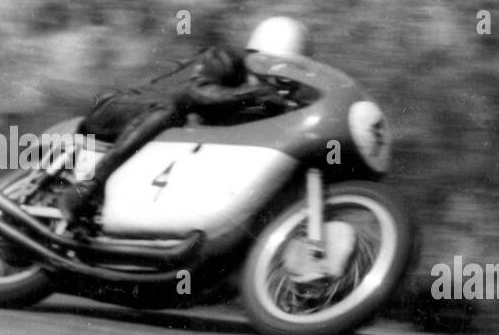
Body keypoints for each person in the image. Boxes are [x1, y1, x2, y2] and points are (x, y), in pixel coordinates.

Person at [59, 17, 315, 234]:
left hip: (157, 147)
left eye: (292, 71)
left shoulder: (269, 104)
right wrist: (257, 93)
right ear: (258, 55)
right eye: (280, 68)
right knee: (171, 110)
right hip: (120, 109)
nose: (284, 80)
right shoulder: (223, 59)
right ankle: (89, 186)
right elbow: (195, 93)